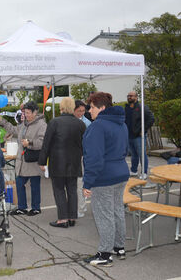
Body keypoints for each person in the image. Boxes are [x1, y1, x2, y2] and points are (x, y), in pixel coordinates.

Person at [82, 92, 129, 267]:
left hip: (104, 176)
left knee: (104, 215)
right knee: (117, 210)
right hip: (120, 173)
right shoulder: (121, 124)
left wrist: (88, 182)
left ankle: (104, 254)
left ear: (102, 108)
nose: (89, 110)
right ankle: (119, 246)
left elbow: (94, 158)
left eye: (92, 107)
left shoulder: (98, 126)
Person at [38, 98, 85, 228]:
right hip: (74, 162)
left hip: (57, 162)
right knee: (72, 190)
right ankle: (72, 217)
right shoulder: (80, 124)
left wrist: (42, 161)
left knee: (59, 190)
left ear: (62, 107)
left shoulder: (54, 122)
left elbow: (46, 144)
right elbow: (83, 145)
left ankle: (62, 219)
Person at [0, 101, 47, 216]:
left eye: (28, 113)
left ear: (35, 112)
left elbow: (42, 142)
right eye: (25, 113)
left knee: (34, 185)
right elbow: (14, 130)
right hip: (22, 161)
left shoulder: (42, 125)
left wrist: (29, 143)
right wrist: (2, 122)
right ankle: (22, 207)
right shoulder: (24, 124)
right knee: (19, 183)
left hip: (33, 160)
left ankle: (36, 207)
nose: (26, 115)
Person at [124, 91, 155, 179]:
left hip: (138, 136)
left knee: (142, 154)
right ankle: (134, 171)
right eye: (128, 96)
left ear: (136, 97)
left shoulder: (142, 107)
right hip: (129, 135)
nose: (129, 97)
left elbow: (151, 118)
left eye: (131, 96)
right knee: (134, 155)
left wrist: (143, 130)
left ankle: (144, 172)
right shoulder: (126, 108)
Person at [74, 100, 91, 217]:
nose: (81, 113)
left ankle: (81, 207)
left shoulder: (87, 123)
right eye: (79, 111)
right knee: (76, 184)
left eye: (83, 111)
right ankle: (80, 206)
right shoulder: (70, 121)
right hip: (73, 155)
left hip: (82, 156)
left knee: (80, 183)